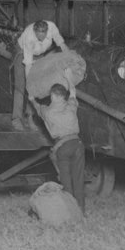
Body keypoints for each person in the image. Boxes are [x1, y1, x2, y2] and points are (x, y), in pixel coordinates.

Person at [30, 67, 85, 214]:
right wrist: (68, 78)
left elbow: (36, 107)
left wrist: (31, 98)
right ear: (63, 96)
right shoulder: (71, 106)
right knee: (78, 178)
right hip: (77, 144)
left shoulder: (47, 112)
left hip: (62, 147)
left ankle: (69, 211)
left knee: (66, 181)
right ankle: (81, 211)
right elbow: (73, 92)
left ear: (53, 96)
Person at [12, 19, 69, 130]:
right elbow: (28, 64)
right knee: (21, 86)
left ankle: (30, 118)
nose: (41, 39)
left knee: (38, 87)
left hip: (39, 54)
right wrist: (29, 83)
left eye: (44, 37)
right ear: (34, 32)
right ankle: (16, 119)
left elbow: (59, 41)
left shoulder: (52, 27)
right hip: (22, 52)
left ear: (47, 32)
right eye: (39, 37)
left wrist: (65, 49)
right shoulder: (29, 37)